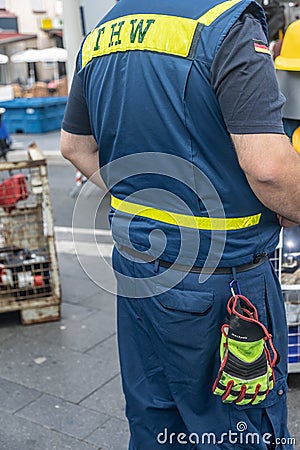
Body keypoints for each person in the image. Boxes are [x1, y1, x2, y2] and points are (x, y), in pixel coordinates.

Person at [60, 0, 300, 448]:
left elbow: (75, 145)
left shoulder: (103, 32)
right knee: (238, 433)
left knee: (157, 428)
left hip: (138, 274)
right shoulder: (227, 22)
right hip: (224, 287)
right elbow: (269, 168)